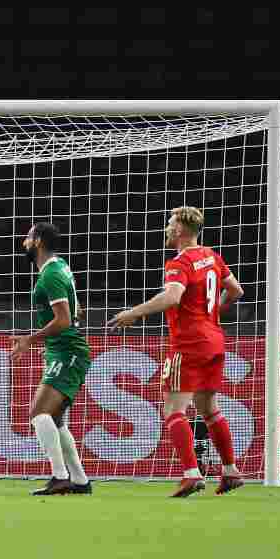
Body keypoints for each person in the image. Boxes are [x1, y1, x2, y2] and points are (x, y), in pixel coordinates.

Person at [110, 206, 245, 497]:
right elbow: (236, 290)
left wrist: (135, 313)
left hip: (189, 344)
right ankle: (231, 471)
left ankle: (191, 474)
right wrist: (213, 313)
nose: (167, 229)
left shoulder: (179, 262)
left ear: (181, 230)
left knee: (173, 410)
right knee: (210, 409)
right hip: (215, 341)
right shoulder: (211, 255)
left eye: (171, 224)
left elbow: (172, 297)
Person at [9, 222, 93, 496]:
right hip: (65, 349)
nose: (24, 242)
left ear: (39, 242)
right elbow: (77, 311)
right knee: (56, 420)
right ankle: (79, 481)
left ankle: (60, 477)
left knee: (38, 413)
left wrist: (29, 340)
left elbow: (66, 319)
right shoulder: (61, 267)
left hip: (68, 352)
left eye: (28, 237)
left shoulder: (51, 276)